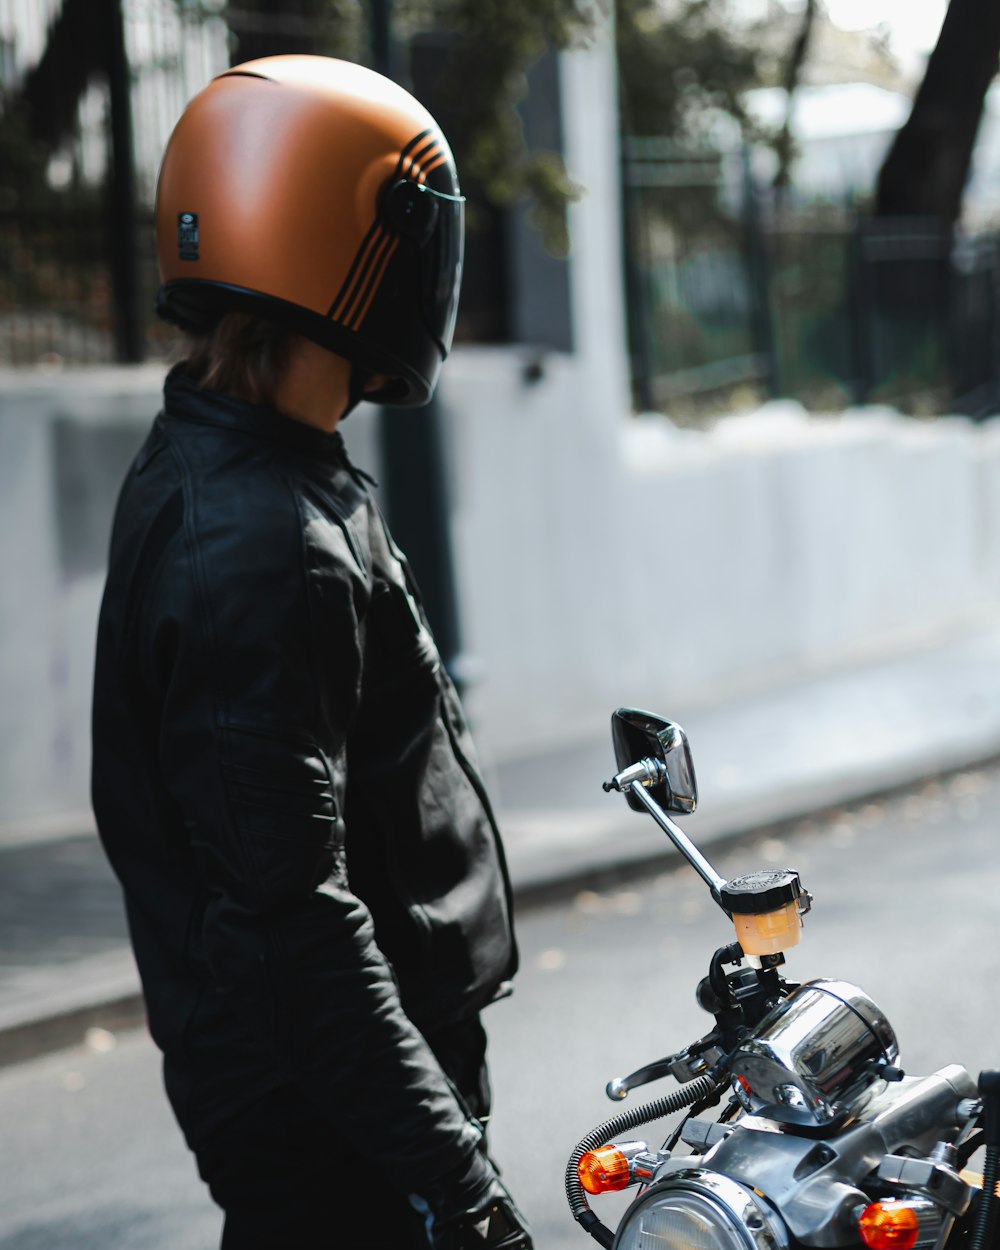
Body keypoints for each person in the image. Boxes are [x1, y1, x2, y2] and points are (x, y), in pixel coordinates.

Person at [91, 54, 531, 1250]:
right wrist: (460, 1183)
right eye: (419, 228)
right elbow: (291, 917)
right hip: (340, 1133)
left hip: (330, 1108)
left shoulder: (227, 457)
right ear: (344, 239)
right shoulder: (264, 541)